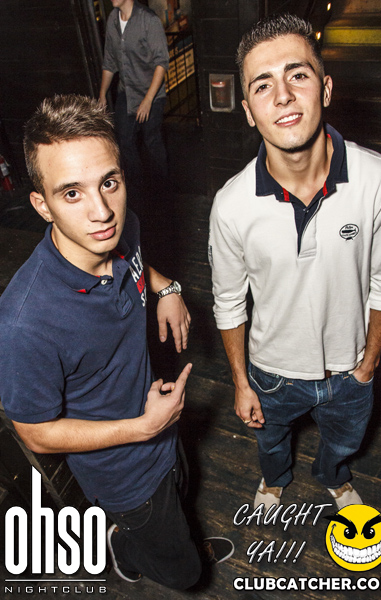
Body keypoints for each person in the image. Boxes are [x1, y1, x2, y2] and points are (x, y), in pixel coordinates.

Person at [0, 95, 233, 589]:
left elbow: (132, 261)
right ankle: (124, 548)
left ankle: (160, 541)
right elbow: (35, 433)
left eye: (109, 182)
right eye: (72, 193)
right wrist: (143, 428)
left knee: (182, 491)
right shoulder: (26, 323)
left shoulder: (123, 230)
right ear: (41, 205)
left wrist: (166, 287)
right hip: (124, 473)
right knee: (187, 573)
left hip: (160, 424)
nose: (102, 211)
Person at [209, 14, 381, 512]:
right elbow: (228, 302)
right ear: (248, 111)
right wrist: (241, 381)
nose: (283, 95)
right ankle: (275, 480)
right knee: (270, 443)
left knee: (343, 442)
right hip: (270, 371)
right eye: (262, 85)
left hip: (350, 368)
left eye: (297, 74)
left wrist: (368, 366)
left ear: (326, 88)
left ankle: (333, 475)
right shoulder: (230, 205)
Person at [99, 0, 170, 204]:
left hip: (151, 94)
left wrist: (148, 100)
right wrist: (102, 93)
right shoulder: (113, 20)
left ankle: (163, 192)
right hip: (127, 93)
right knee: (124, 142)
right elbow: (109, 62)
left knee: (151, 140)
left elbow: (161, 63)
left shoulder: (148, 20)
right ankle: (138, 191)